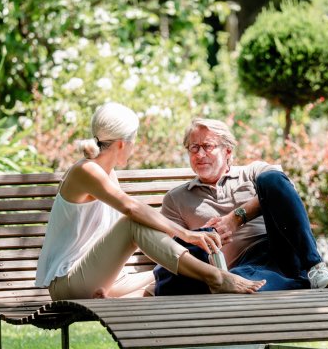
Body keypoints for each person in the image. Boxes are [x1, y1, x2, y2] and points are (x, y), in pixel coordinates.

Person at [34, 103, 265, 299]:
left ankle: (198, 280)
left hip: (103, 279)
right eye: (134, 142)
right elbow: (132, 210)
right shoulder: (85, 171)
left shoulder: (108, 174)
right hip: (69, 282)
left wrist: (194, 240)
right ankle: (217, 278)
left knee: (178, 270)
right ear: (123, 143)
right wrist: (187, 234)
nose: (134, 148)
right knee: (132, 223)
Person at [155, 118, 328, 295]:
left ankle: (316, 269)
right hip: (244, 267)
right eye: (194, 148)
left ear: (227, 151)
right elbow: (169, 252)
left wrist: (237, 218)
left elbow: (284, 190)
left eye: (207, 146)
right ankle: (312, 283)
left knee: (271, 179)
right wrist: (205, 237)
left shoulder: (253, 172)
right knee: (242, 285)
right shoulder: (175, 199)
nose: (200, 154)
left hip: (283, 247)